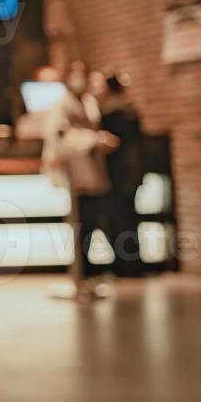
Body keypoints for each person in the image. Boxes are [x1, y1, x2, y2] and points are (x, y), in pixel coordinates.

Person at [42, 60, 121, 301]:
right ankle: (79, 277)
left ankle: (88, 276)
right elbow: (60, 138)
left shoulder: (89, 103)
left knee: (92, 223)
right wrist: (93, 140)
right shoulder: (61, 106)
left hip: (91, 173)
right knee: (79, 225)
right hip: (74, 174)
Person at [96, 72, 144, 278]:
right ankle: (132, 264)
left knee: (118, 218)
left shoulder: (111, 114)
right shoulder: (130, 109)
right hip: (131, 171)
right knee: (128, 217)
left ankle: (124, 265)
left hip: (118, 172)